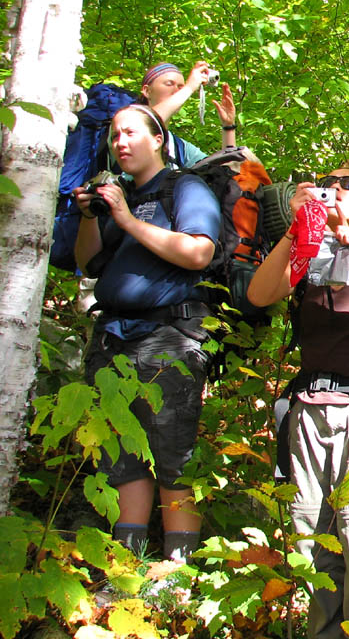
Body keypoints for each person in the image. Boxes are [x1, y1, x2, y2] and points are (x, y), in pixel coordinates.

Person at [247, 168, 349, 638]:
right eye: (328, 180)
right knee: (311, 545)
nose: (337, 186)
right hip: (307, 412)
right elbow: (259, 294)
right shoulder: (306, 255)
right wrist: (301, 229)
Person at [73, 104, 221, 562]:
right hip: (112, 337)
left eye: (132, 133)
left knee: (172, 453)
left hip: (169, 337)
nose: (121, 143)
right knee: (121, 452)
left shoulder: (185, 188)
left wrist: (129, 221)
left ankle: (176, 573)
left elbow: (199, 253)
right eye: (115, 135)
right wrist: (89, 216)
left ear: (158, 140)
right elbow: (86, 263)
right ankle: (127, 564)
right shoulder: (122, 196)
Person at [140, 60, 238, 158]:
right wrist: (190, 87)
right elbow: (147, 122)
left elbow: (223, 170)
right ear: (147, 91)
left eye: (180, 87)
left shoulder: (179, 149)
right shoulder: (128, 124)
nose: (176, 91)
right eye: (169, 84)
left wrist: (228, 127)